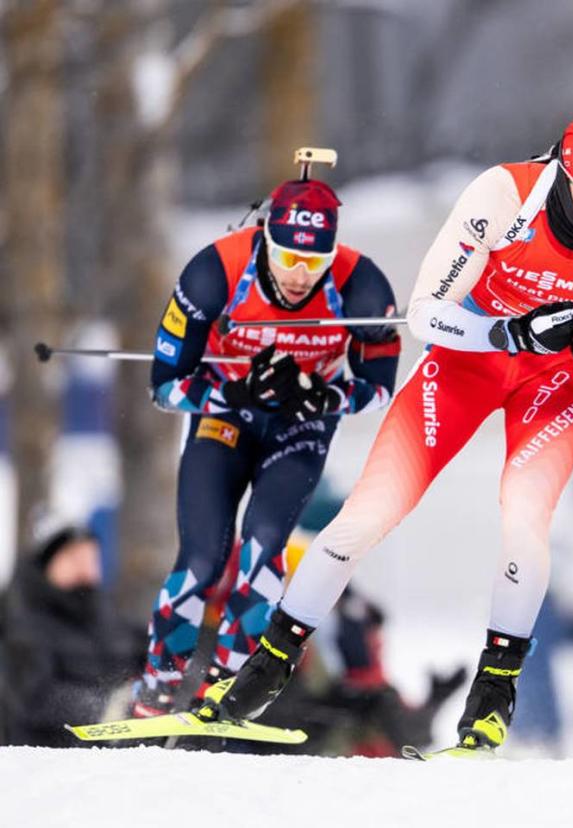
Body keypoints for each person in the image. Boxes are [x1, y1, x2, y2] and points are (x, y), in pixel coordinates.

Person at [200, 109, 573, 756]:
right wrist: (511, 331)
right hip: (465, 366)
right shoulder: (505, 195)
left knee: (526, 519)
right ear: (564, 175)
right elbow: (428, 316)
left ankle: (493, 697)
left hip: (555, 383)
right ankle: (267, 664)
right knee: (366, 515)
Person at [131, 168, 401, 717]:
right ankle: (160, 682)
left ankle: (229, 680)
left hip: (299, 425)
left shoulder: (362, 285)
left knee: (263, 549)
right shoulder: (215, 272)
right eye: (286, 257)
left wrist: (327, 396)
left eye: (315, 262)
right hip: (224, 420)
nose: (300, 275)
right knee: (204, 561)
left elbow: (379, 390)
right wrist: (233, 390)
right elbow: (163, 386)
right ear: (265, 240)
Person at [2, 524, 145, 747]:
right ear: (48, 563)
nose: (84, 566)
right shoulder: (22, 623)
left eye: (90, 557)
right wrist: (105, 707)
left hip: (110, 762)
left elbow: (146, 650)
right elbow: (32, 696)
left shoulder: (107, 618)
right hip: (44, 762)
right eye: (73, 557)